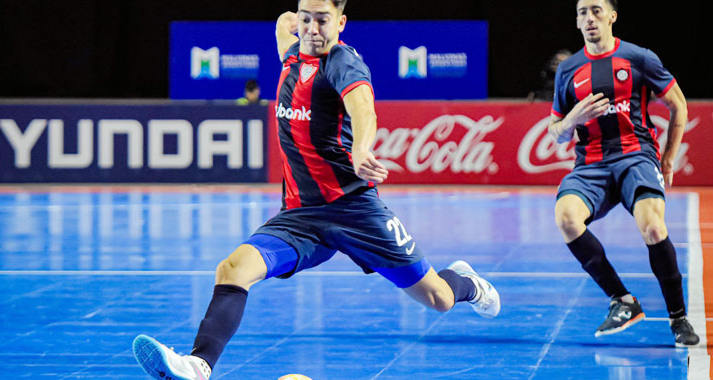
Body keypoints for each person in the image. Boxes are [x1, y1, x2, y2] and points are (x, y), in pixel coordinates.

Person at [131, 1, 501, 379]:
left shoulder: (343, 63)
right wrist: (293, 18)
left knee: (437, 298)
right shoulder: (290, 53)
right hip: (300, 216)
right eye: (305, 18)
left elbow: (364, 110)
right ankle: (198, 364)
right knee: (231, 269)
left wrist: (361, 147)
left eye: (323, 20)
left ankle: (468, 283)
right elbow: (281, 23)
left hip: (354, 210)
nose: (312, 28)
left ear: (341, 22)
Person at [548, 0, 699, 346]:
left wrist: (670, 157)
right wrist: (573, 120)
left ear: (612, 16)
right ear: (576, 21)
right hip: (590, 166)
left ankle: (678, 318)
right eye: (582, 12)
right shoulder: (568, 70)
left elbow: (678, 103)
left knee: (653, 226)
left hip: (636, 158)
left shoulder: (638, 58)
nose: (589, 18)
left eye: (596, 10)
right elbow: (556, 130)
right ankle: (623, 300)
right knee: (566, 218)